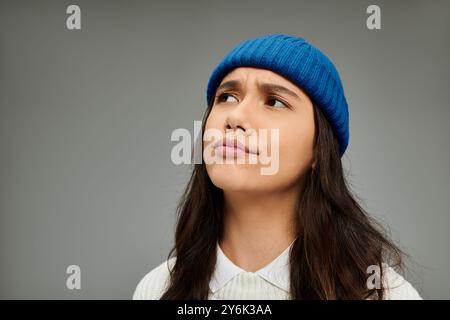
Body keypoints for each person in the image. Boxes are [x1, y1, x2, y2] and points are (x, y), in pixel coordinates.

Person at [133, 34, 422, 300]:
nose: (235, 116)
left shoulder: (382, 293)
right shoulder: (158, 289)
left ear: (318, 151)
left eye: (274, 101)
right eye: (227, 97)